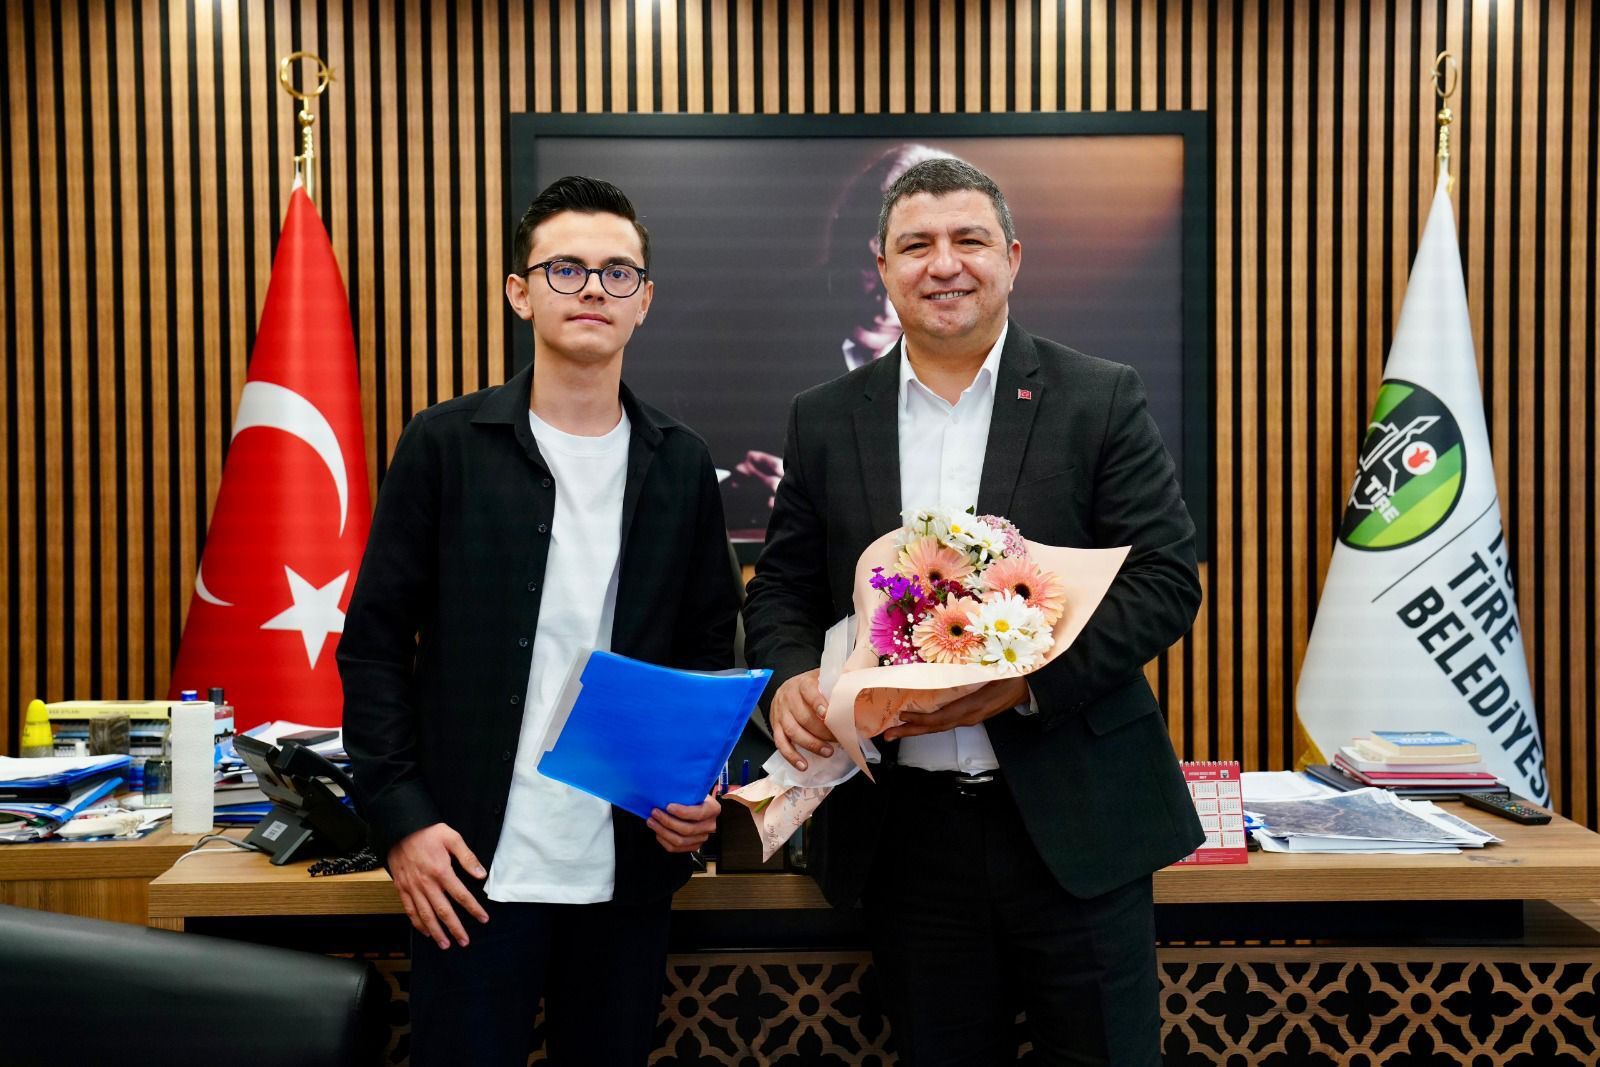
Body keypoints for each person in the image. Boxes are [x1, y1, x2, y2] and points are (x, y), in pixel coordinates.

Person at [743, 158, 1204, 1066]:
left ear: (1012, 258)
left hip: (1077, 823)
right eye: (917, 244)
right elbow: (784, 585)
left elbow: (1163, 579)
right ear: (882, 265)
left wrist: (1025, 686)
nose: (944, 263)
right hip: (905, 837)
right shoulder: (825, 417)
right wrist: (791, 675)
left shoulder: (1098, 396)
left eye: (969, 240)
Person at [338, 176, 740, 1066]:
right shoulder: (446, 445)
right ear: (520, 292)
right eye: (566, 268)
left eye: (617, 272)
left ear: (644, 301)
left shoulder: (681, 463)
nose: (593, 288)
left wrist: (697, 789)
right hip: (470, 867)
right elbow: (372, 649)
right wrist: (401, 819)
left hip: (627, 866)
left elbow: (708, 654)